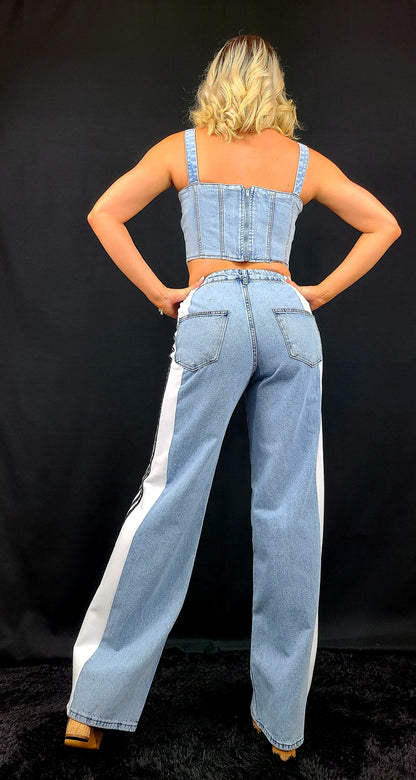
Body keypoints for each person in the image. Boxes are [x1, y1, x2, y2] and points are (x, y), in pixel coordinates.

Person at [64, 34, 401, 760]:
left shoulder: (181, 150)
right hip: (288, 319)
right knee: (292, 512)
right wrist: (317, 293)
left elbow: (104, 213)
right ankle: (282, 725)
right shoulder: (304, 163)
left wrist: (160, 292)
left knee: (169, 498)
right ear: (276, 86)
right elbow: (385, 224)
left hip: (211, 309)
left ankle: (94, 706)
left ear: (215, 81)